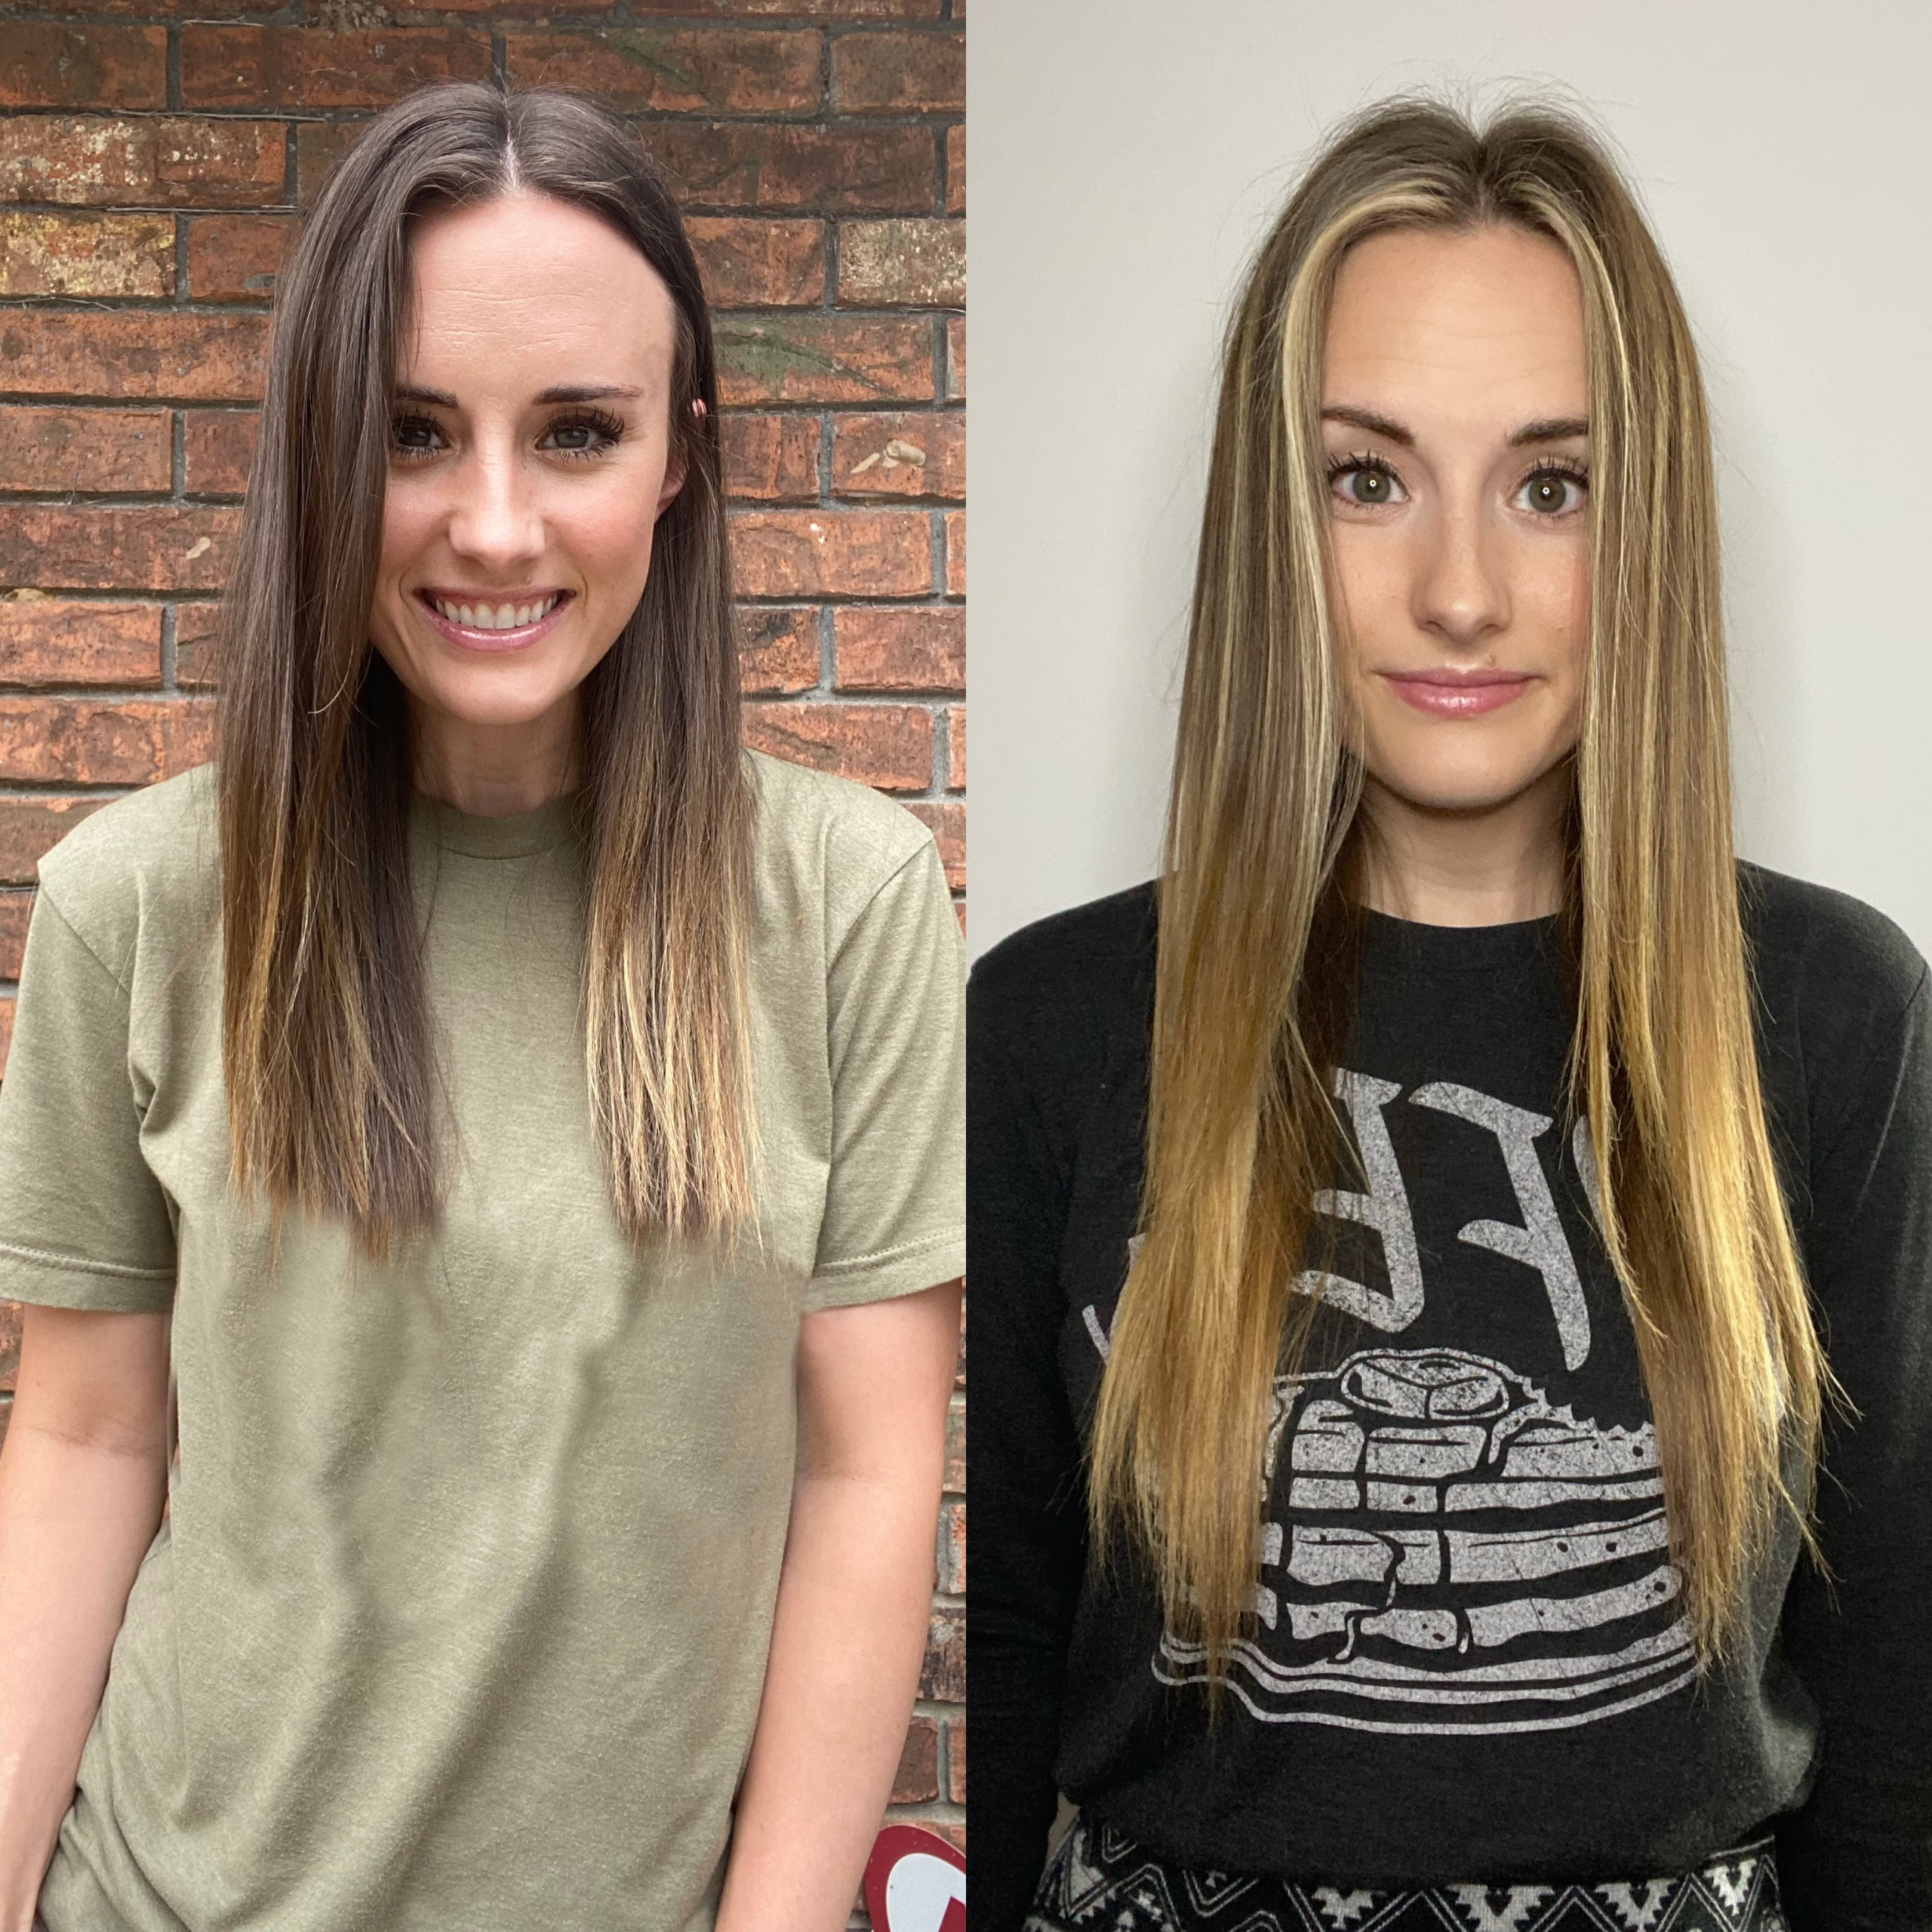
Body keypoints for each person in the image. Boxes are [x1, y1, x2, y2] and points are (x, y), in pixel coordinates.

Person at [0, 82, 964, 1932]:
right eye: (414, 431)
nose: (496, 525)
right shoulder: (135, 902)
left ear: (676, 458)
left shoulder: (842, 907)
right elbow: (86, 1436)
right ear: (317, 448)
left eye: (576, 432)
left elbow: (867, 1470)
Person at [968, 98, 1930, 1932]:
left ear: (1638, 521)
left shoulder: (1837, 1020)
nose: (1462, 591)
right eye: (1368, 476)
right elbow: (1002, 1657)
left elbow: (1892, 1689)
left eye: (1547, 483)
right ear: (1275, 516)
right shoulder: (1039, 1029)